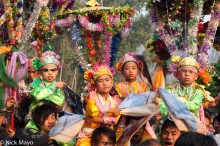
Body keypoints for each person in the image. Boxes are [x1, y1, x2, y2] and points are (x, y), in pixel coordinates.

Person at [76, 65, 121, 146]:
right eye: (100, 81)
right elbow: (93, 114)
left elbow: (115, 119)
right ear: (95, 83)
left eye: (107, 80)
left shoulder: (114, 100)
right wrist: (111, 112)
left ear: (112, 82)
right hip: (88, 134)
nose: (104, 83)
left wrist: (98, 118)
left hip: (106, 138)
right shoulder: (92, 97)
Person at [115, 52, 153, 140]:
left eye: (133, 68)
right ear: (122, 71)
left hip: (141, 121)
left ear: (138, 70)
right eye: (127, 68)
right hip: (123, 121)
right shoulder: (118, 86)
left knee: (150, 140)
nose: (131, 71)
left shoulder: (144, 86)